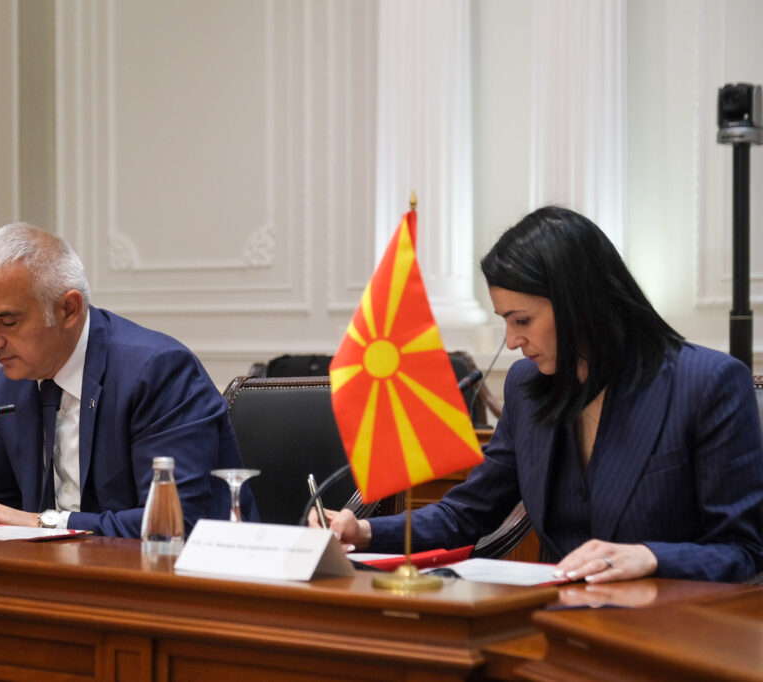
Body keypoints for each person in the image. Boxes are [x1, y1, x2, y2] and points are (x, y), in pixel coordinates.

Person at [314, 206, 763, 583]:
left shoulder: (708, 383)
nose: (511, 341)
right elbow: (468, 513)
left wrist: (651, 557)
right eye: (505, 322)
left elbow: (745, 551)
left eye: (522, 321)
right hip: (555, 621)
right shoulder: (527, 386)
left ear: (578, 305)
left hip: (668, 627)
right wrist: (364, 530)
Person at [0, 223, 254, 536]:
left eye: (7, 321)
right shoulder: (14, 381)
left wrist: (44, 522)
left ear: (69, 309)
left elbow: (174, 523)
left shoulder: (157, 372)